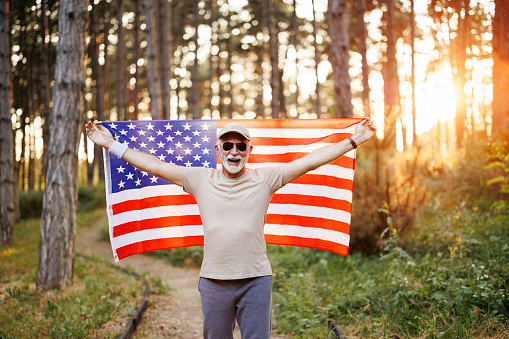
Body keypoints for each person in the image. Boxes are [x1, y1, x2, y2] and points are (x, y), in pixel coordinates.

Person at [85, 118, 376, 339]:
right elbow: (155, 165)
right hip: (213, 282)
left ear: (249, 150)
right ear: (218, 150)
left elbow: (311, 161)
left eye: (240, 146)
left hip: (256, 281)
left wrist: (353, 141)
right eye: (227, 145)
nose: (234, 151)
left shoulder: (266, 178)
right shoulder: (200, 178)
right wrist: (112, 144)